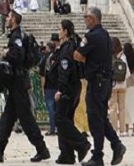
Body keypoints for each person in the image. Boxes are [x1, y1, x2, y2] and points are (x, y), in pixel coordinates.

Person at [0, 10, 50, 163]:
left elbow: (18, 55)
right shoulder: (16, 35)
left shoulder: (16, 36)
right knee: (7, 118)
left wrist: (7, 53)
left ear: (13, 19)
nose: (6, 19)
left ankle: (42, 149)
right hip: (16, 83)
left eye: (8, 17)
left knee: (26, 119)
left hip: (19, 82)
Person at [73, 7, 127, 166]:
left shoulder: (91, 36)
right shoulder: (105, 35)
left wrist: (87, 61)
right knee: (101, 117)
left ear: (93, 19)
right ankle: (116, 145)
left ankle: (98, 156)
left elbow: (77, 55)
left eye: (86, 17)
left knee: (95, 119)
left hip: (96, 82)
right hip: (106, 82)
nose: (84, 19)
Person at [53, 20, 91, 164]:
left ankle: (81, 143)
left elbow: (65, 71)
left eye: (60, 29)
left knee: (60, 119)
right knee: (66, 119)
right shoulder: (72, 46)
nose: (58, 31)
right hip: (75, 87)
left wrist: (61, 90)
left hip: (68, 88)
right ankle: (66, 154)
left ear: (65, 31)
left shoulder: (67, 49)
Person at [39, 36, 60, 136]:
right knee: (57, 108)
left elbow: (42, 75)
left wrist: (42, 87)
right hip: (58, 85)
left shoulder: (45, 58)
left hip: (49, 86)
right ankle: (58, 127)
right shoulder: (58, 56)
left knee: (50, 108)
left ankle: (52, 128)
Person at [109, 37, 128, 136]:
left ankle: (114, 129)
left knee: (113, 108)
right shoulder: (123, 56)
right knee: (122, 108)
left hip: (113, 84)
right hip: (123, 84)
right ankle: (122, 130)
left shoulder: (110, 56)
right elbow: (127, 72)